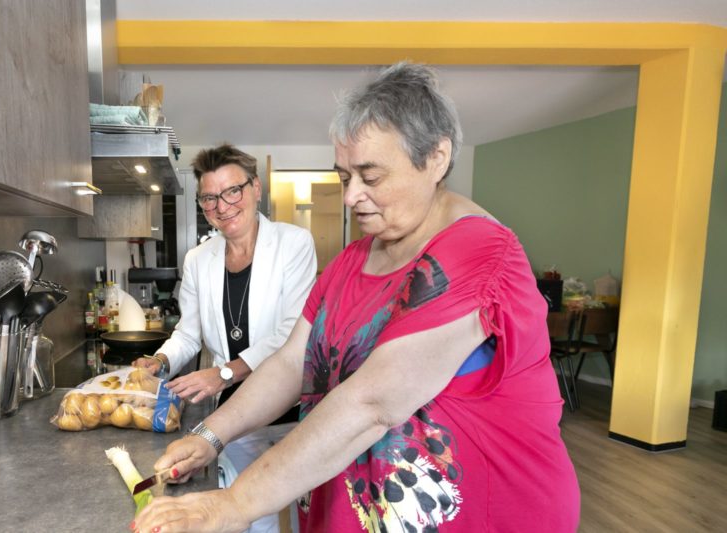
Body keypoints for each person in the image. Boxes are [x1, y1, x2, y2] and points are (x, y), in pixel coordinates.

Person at [132, 63, 580, 533]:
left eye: (371, 176)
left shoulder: (479, 253)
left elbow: (373, 403)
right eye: (346, 176)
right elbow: (290, 363)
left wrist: (231, 504)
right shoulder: (353, 260)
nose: (351, 197)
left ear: (436, 158)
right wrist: (211, 436)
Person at [132, 143, 318, 533]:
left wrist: (227, 373)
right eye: (210, 198)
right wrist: (161, 361)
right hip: (233, 416)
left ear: (256, 189)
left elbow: (291, 332)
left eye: (233, 191)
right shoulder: (199, 260)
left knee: (297, 513)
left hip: (290, 407)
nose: (223, 206)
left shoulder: (294, 244)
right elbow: (188, 332)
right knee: (244, 518)